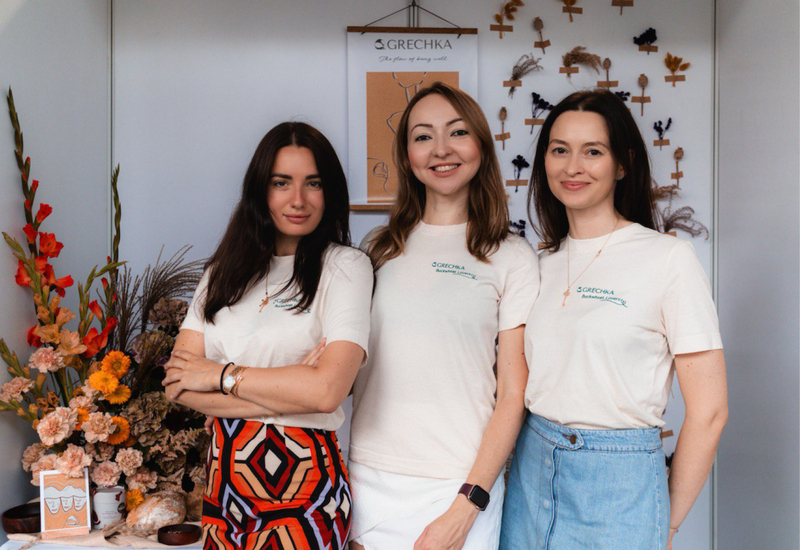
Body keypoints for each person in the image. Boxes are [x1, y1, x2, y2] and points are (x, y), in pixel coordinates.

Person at [500, 89, 728, 550]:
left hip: (620, 482)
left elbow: (710, 413)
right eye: (559, 150)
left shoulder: (668, 258)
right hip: (528, 470)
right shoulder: (535, 263)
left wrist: (664, 524)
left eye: (593, 152)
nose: (572, 166)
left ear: (622, 164)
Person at [162, 122, 372, 549]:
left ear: (329, 192)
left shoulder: (346, 267)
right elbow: (176, 384)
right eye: (282, 183)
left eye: (313, 183)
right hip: (224, 486)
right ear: (261, 190)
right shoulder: (221, 273)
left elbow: (327, 392)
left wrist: (220, 375)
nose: (298, 200)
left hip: (306, 485)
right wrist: (291, 385)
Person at [348, 82, 539, 550]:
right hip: (368, 476)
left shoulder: (512, 256)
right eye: (422, 136)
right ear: (407, 154)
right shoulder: (376, 248)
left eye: (456, 132)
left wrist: (467, 504)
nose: (441, 150)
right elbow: (346, 367)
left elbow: (513, 395)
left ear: (480, 146)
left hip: (459, 482)